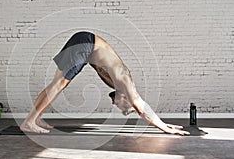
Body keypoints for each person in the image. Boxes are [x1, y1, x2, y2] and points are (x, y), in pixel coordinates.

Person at [20, 31, 190, 135]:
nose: (121, 109)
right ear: (126, 97)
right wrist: (164, 128)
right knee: (58, 84)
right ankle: (29, 122)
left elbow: (139, 106)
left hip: (84, 43)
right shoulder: (125, 80)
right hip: (86, 43)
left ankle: (35, 118)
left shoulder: (117, 83)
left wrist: (162, 122)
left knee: (57, 83)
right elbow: (141, 107)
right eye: (126, 108)